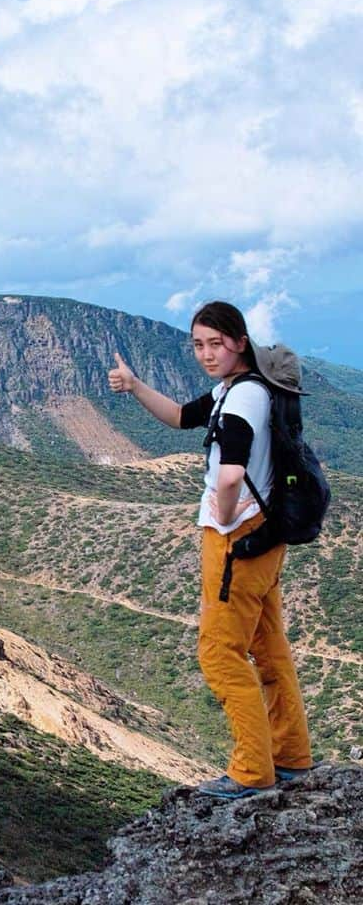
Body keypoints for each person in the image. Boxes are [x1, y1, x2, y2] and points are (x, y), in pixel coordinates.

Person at [109, 300, 313, 799]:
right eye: (198, 344)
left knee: (220, 654)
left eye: (215, 343)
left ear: (240, 343)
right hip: (266, 535)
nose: (205, 353)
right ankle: (291, 756)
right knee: (267, 646)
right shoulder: (243, 390)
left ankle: (252, 772)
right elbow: (181, 417)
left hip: (237, 540)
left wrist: (222, 517)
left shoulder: (241, 401)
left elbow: (230, 473)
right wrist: (135, 387)